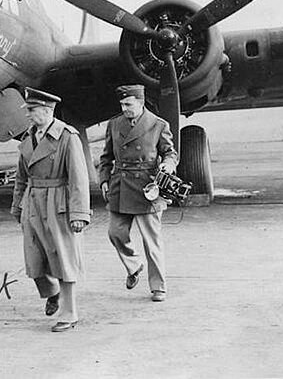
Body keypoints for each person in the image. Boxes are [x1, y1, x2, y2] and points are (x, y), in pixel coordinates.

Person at [10, 88, 91, 332]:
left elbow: (79, 178)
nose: (28, 115)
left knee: (64, 259)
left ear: (47, 111)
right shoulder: (28, 138)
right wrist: (17, 206)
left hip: (58, 204)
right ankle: (51, 291)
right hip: (32, 202)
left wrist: (79, 214)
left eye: (32, 111)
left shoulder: (67, 137)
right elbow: (21, 177)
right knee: (34, 260)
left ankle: (70, 312)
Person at [98, 84, 178, 302]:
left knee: (151, 241)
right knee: (115, 233)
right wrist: (104, 179)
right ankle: (134, 266)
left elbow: (171, 153)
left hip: (147, 187)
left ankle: (158, 287)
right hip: (121, 186)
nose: (124, 108)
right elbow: (106, 157)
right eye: (122, 104)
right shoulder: (114, 125)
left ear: (140, 103)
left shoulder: (158, 125)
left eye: (128, 104)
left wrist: (169, 165)